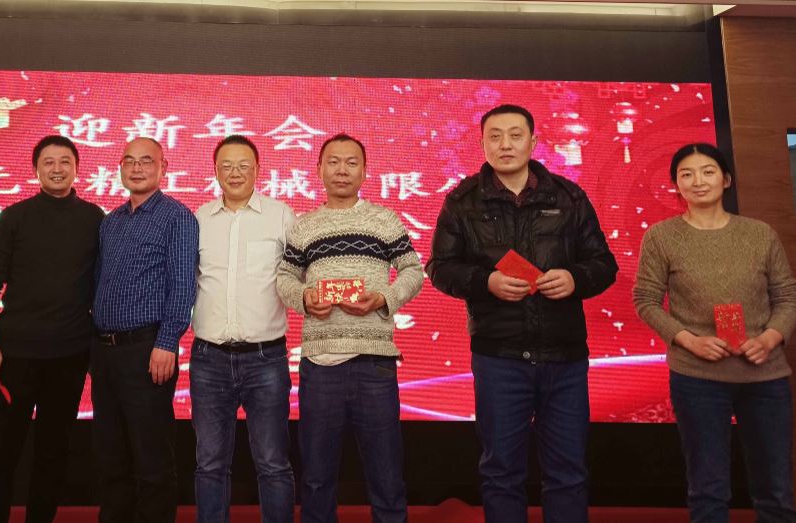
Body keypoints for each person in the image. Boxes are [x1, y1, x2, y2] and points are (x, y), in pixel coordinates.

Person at [426, 104, 618, 523]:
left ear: (533, 141)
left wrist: (575, 278)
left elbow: (604, 264)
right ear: (482, 143)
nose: (506, 144)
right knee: (501, 472)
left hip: (564, 356)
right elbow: (439, 268)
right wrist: (486, 282)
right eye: (495, 136)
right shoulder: (462, 201)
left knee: (568, 472)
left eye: (515, 135)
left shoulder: (569, 197)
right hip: (499, 356)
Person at [633, 142, 796, 523]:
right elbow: (646, 301)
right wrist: (689, 340)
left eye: (707, 172)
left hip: (765, 377)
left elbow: (787, 297)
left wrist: (770, 338)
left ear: (726, 180)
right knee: (708, 488)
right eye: (686, 174)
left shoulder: (759, 234)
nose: (698, 181)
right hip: (697, 379)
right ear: (676, 185)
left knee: (775, 488)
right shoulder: (661, 236)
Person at [277, 133, 423, 523]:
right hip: (319, 365)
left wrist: (384, 298)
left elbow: (412, 270)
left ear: (364, 171)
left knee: (386, 475)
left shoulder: (384, 220)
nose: (342, 170)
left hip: (375, 363)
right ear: (319, 170)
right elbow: (285, 278)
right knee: (316, 477)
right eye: (334, 162)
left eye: (351, 162)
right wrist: (304, 297)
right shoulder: (304, 226)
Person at [0, 135, 105, 523]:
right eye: (49, 162)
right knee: (0, 451)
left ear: (77, 168)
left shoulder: (95, 219)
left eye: (65, 161)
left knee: (53, 452)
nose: (57, 169)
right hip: (14, 355)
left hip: (70, 356)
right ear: (35, 170)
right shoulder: (15, 217)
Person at [91, 137, 199, 523]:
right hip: (104, 352)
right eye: (129, 161)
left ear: (163, 167)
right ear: (120, 168)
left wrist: (167, 342)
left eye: (146, 161)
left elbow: (183, 285)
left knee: (151, 457)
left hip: (148, 350)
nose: (137, 168)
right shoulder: (111, 222)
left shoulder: (177, 217)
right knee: (111, 455)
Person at [191, 135, 296, 523]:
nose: (235, 173)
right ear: (215, 170)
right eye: (227, 166)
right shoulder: (198, 220)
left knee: (273, 462)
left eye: (243, 166)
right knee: (209, 464)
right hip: (209, 359)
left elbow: (300, 274)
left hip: (266, 358)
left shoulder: (281, 216)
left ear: (258, 169)